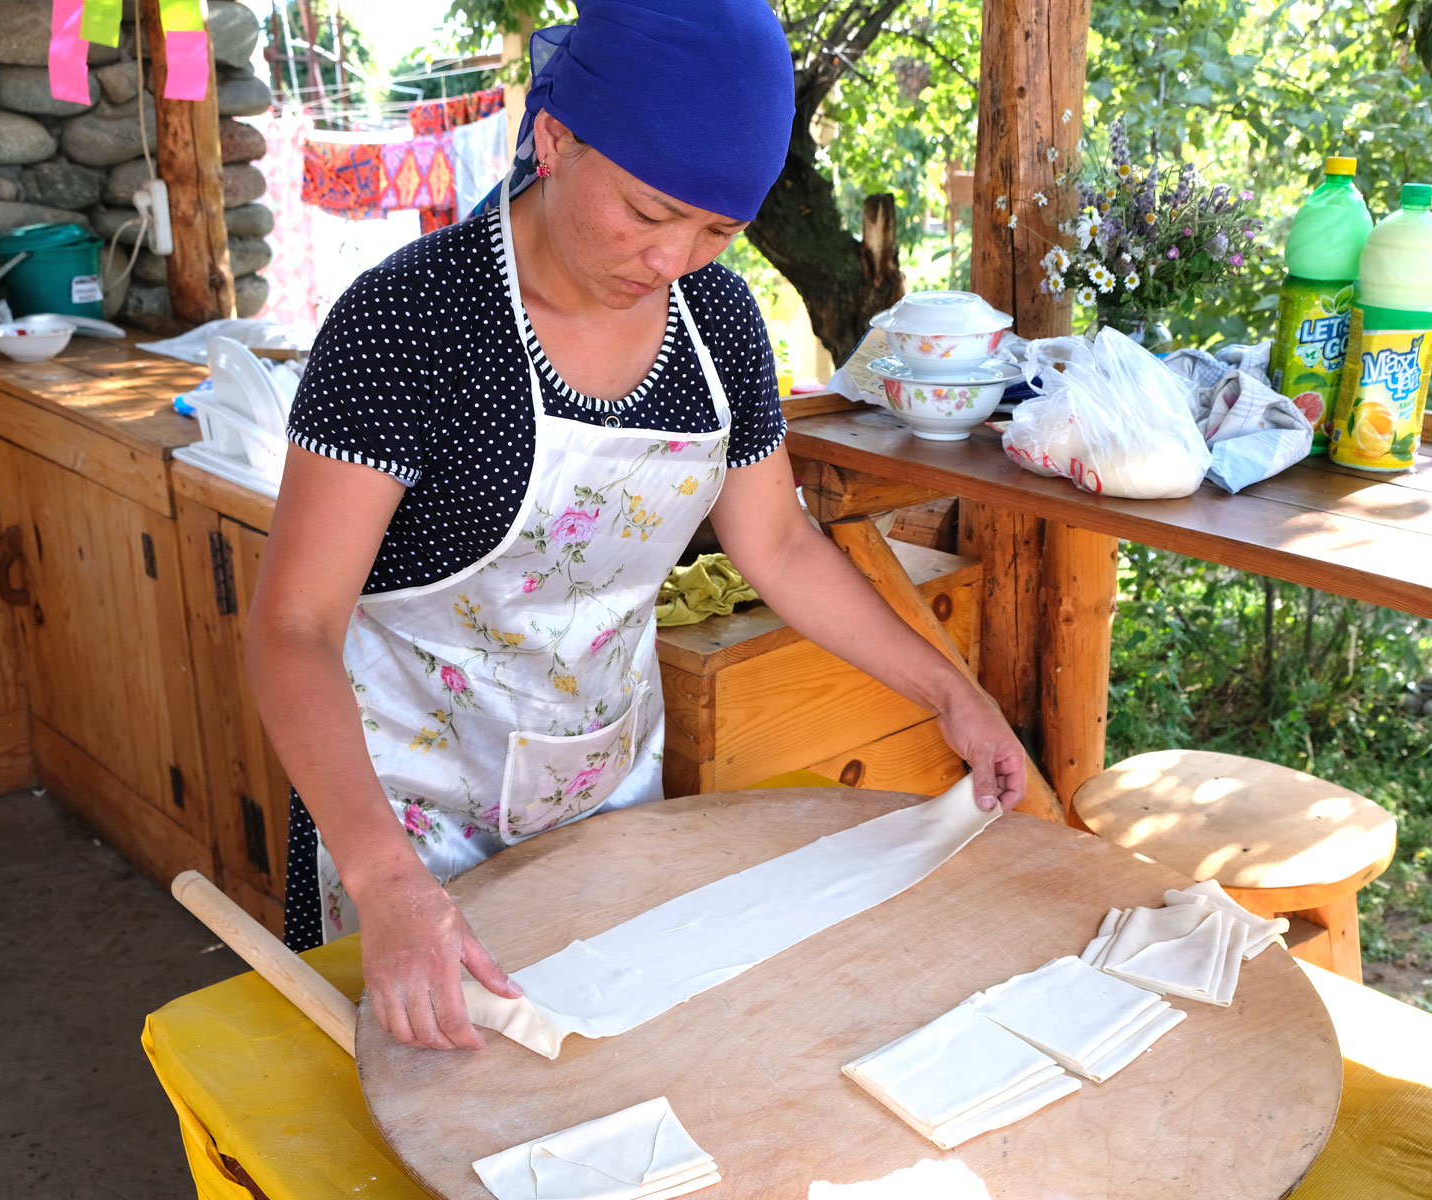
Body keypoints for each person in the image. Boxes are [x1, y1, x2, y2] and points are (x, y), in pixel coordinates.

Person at [247, 0, 1028, 1052]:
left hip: (608, 799)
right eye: (651, 211)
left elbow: (781, 545)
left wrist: (952, 693)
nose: (674, 259)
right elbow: (293, 628)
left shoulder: (720, 325)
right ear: (556, 139)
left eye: (716, 231)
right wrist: (382, 880)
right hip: (404, 825)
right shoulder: (411, 324)